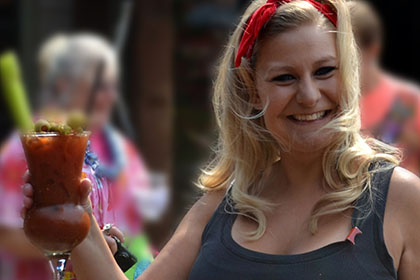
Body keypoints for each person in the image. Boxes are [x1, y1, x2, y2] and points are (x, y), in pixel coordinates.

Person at [22, 0, 420, 279]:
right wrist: (77, 217)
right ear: (251, 89)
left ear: (348, 75)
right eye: (284, 77)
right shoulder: (221, 206)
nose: (310, 96)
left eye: (325, 71)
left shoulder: (399, 200)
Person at [0, 33, 155, 280]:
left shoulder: (119, 149)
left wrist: (109, 244)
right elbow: (5, 236)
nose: (109, 96)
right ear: (62, 84)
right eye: (99, 85)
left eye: (112, 85)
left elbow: (136, 233)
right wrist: (80, 245)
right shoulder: (30, 145)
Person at [348, 0, 420, 175]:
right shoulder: (330, 101)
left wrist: (411, 139)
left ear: (372, 49)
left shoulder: (406, 99)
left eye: (350, 55)